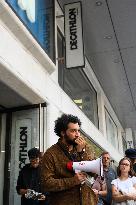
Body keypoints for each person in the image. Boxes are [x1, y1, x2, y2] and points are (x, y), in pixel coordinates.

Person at [41, 113, 97, 205]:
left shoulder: (85, 147)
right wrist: (73, 181)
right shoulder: (50, 154)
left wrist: (82, 153)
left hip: (87, 201)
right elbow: (47, 183)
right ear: (63, 133)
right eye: (73, 131)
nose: (77, 135)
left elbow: (94, 173)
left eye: (78, 131)